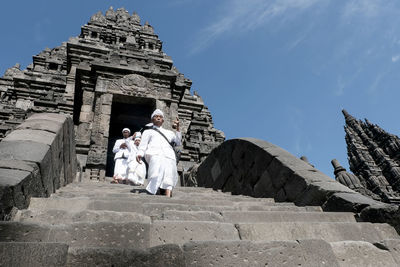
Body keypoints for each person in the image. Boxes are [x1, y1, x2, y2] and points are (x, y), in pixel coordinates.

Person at [136, 109, 181, 197]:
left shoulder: (170, 133)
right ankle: (156, 192)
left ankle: (168, 195)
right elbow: (143, 144)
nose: (158, 118)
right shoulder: (147, 132)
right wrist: (139, 153)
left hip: (168, 155)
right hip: (155, 154)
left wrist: (178, 128)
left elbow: (178, 142)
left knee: (169, 175)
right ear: (152, 119)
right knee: (155, 173)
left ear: (163, 120)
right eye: (156, 116)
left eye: (160, 117)